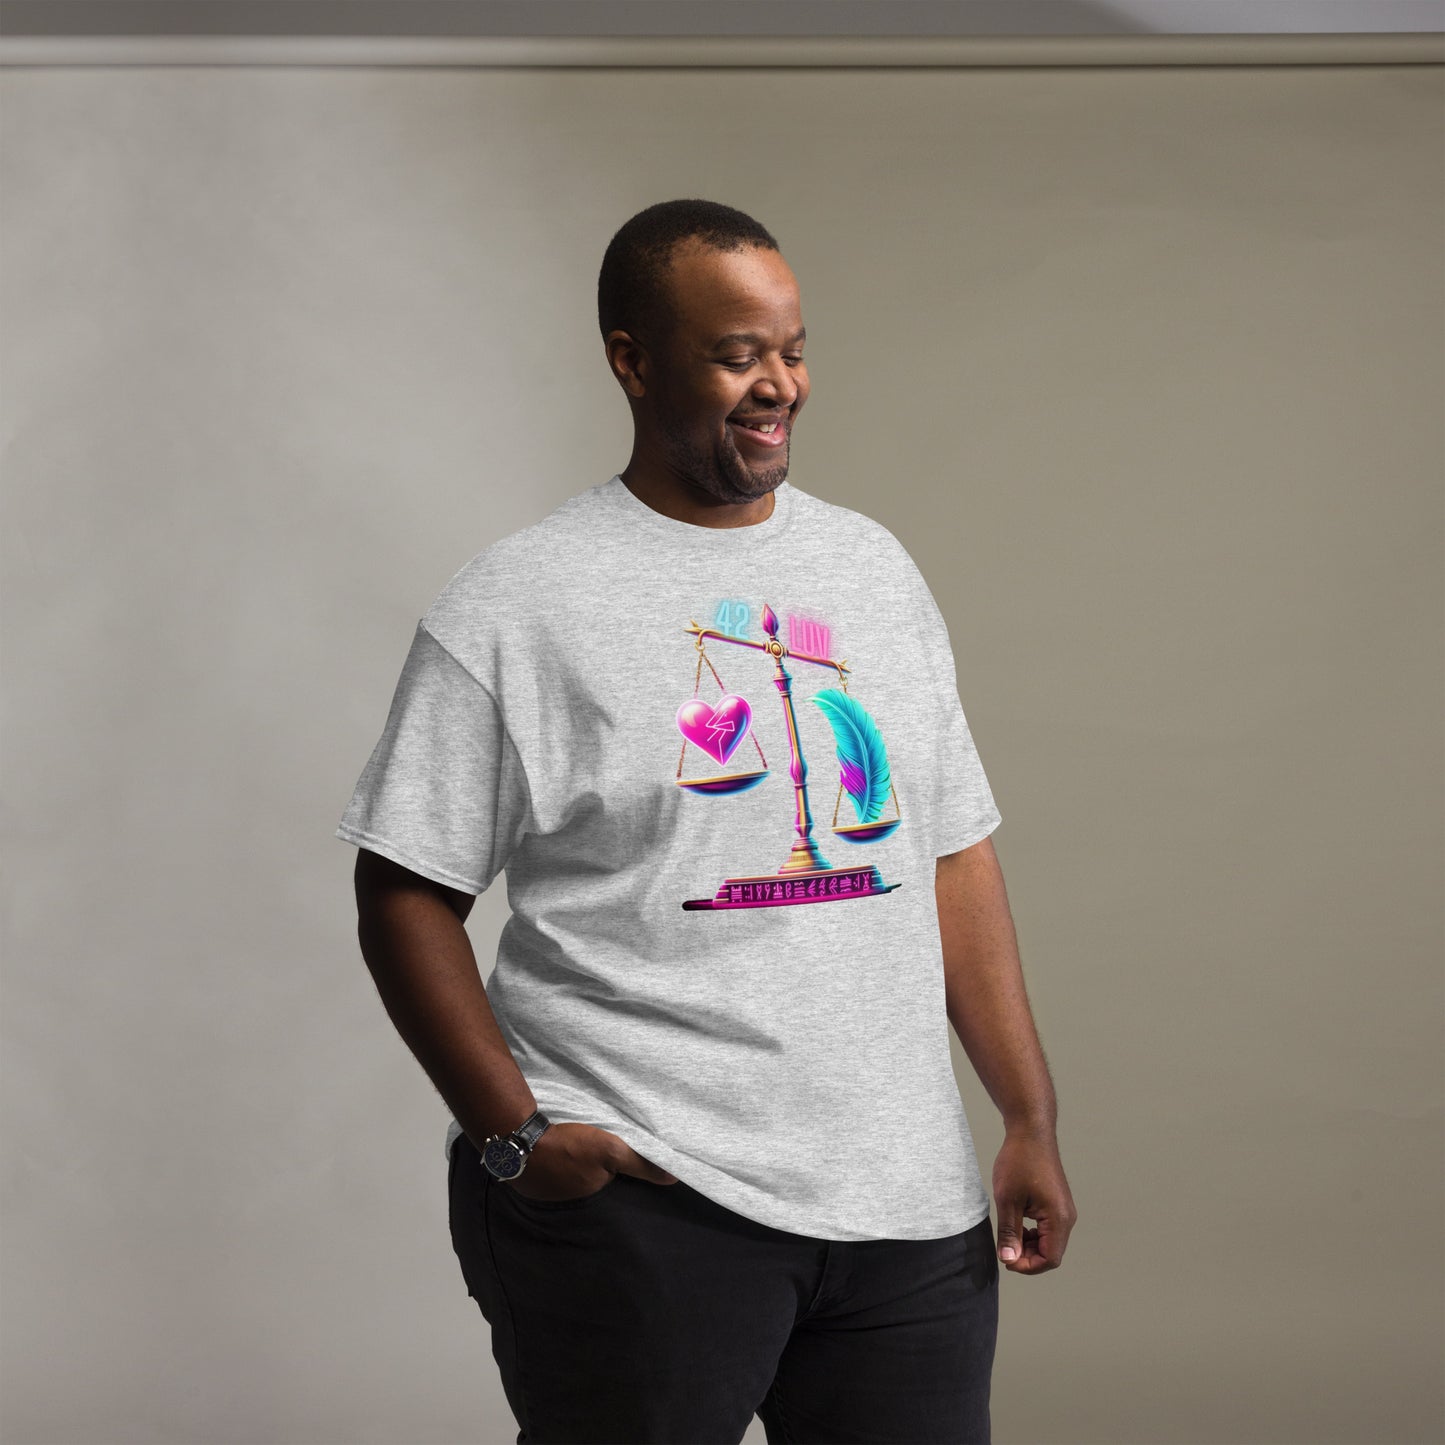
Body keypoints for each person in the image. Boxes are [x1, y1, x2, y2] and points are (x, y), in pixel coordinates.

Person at [335, 197, 1076, 1445]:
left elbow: (950, 853)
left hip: (903, 1207)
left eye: (790, 349)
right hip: (649, 1202)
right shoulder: (521, 600)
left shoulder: (873, 570)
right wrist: (516, 1136)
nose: (776, 383)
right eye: (737, 354)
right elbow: (402, 886)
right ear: (632, 358)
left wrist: (1025, 1116)